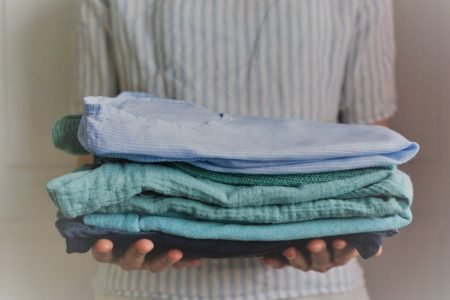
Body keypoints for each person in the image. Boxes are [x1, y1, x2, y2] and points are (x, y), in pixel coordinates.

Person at [72, 1, 396, 299]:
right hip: (310, 285)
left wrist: (361, 227)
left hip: (150, 282)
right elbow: (95, 136)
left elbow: (375, 158)